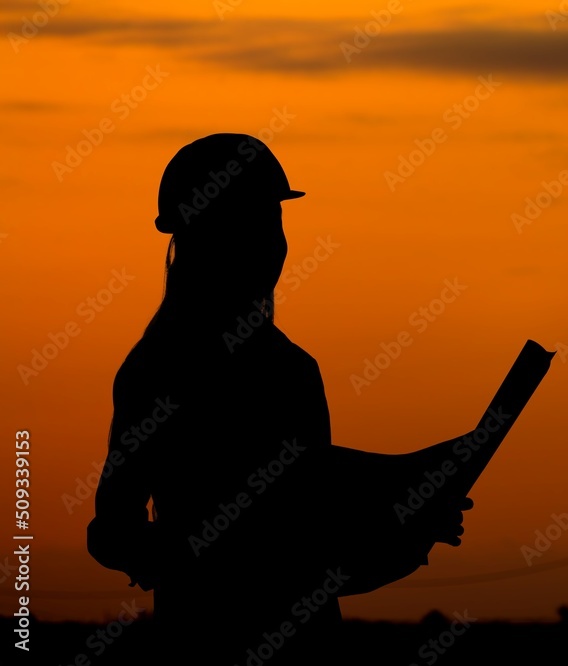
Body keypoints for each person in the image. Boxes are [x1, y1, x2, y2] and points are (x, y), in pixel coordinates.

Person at [86, 133, 472, 664]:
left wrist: (406, 529)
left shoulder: (290, 369)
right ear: (204, 238)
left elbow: (315, 552)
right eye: (252, 223)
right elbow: (116, 531)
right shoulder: (164, 368)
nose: (272, 243)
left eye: (274, 223)